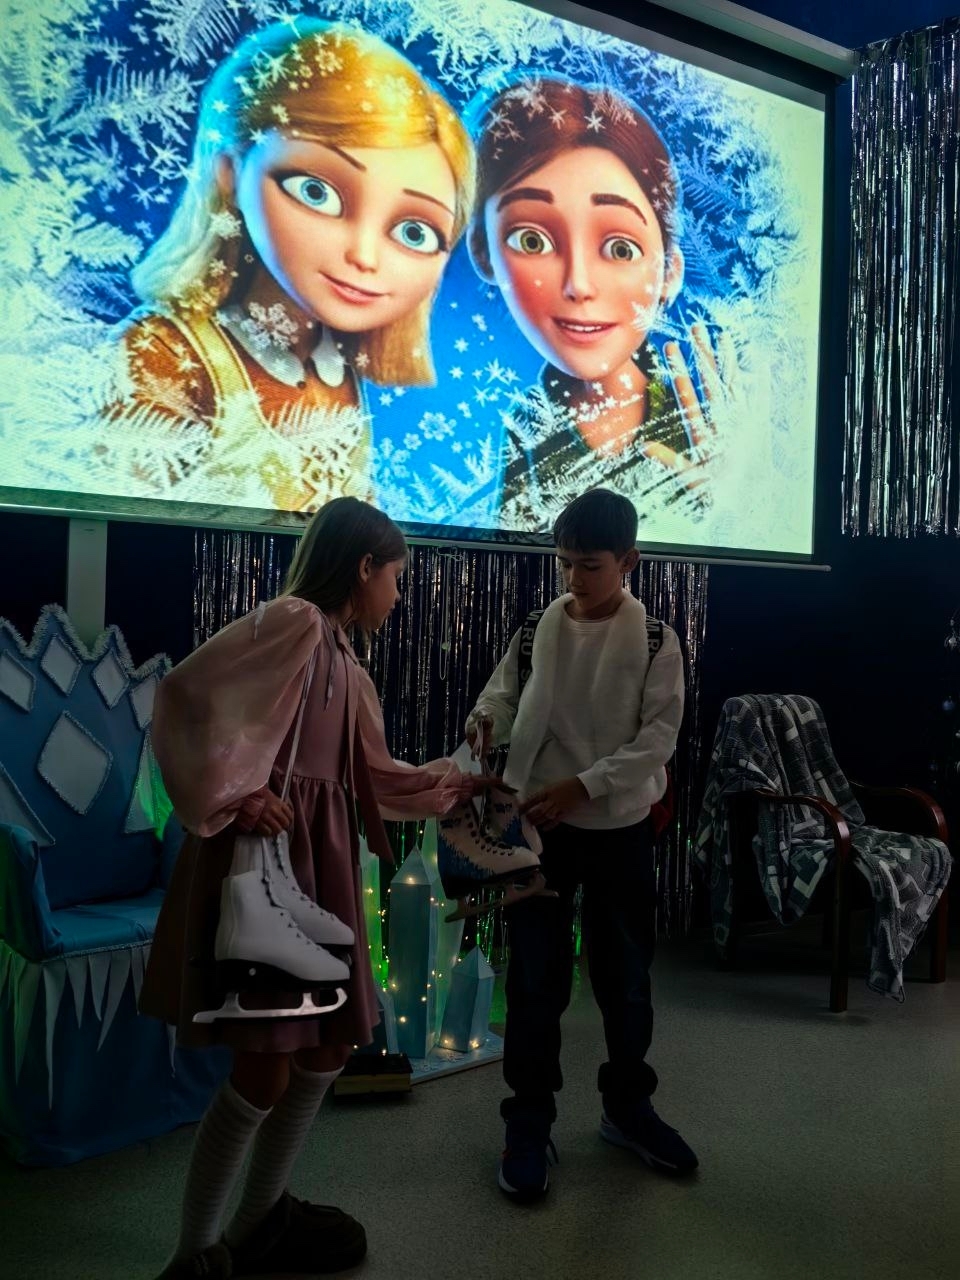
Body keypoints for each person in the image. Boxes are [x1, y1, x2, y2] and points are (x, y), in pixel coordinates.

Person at [140, 497, 493, 1278]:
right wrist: (239, 796)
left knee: (328, 1045)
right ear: (364, 568)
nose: (398, 595)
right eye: (396, 576)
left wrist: (456, 781)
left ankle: (260, 1219)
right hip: (273, 867)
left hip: (318, 870)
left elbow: (375, 778)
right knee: (265, 1064)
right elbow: (187, 695)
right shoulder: (297, 621)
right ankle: (195, 1252)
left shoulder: (348, 668)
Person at [108, 19, 474, 513]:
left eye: (414, 232)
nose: (364, 257)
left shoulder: (338, 364)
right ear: (231, 172)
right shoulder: (165, 353)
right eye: (316, 192)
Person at [465, 486, 698, 1200]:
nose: (573, 578)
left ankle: (628, 1109)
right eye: (565, 562)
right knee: (535, 982)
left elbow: (657, 741)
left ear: (628, 561)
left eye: (589, 565)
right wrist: (484, 722)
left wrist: (584, 786)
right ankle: (528, 1121)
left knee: (625, 980)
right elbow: (502, 697)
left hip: (618, 832)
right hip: (537, 831)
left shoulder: (657, 640)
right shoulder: (537, 629)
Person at [467, 76, 732, 529]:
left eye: (621, 248)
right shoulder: (526, 426)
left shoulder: (710, 421)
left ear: (669, 271)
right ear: (483, 252)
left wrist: (736, 513)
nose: (579, 285)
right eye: (532, 240)